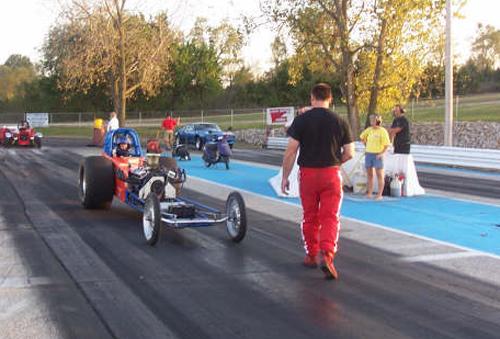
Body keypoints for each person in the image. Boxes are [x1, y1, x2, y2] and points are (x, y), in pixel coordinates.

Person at [281, 83, 354, 280]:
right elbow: (350, 153)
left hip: (308, 174)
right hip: (331, 173)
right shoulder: (340, 121)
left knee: (310, 216)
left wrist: (285, 177)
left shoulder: (302, 121)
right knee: (330, 217)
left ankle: (311, 255)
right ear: (330, 99)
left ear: (312, 98)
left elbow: (290, 151)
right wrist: (336, 161)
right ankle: (328, 255)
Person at [360, 114, 391, 200]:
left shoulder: (382, 131)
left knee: (379, 175)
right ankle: (369, 193)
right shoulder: (369, 130)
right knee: (369, 174)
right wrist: (366, 144)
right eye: (371, 121)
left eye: (373, 121)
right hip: (369, 153)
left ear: (377, 121)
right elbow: (362, 137)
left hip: (378, 154)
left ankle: (379, 194)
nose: (371, 123)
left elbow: (386, 145)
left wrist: (381, 153)